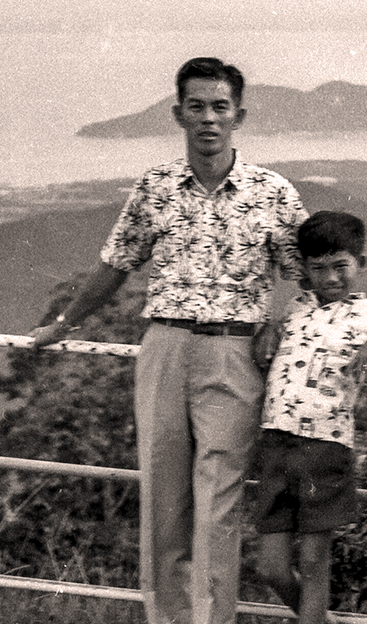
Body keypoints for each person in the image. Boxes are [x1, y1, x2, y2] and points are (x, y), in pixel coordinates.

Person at [26, 57, 308, 624]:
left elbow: (306, 273)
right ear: (179, 114)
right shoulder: (155, 188)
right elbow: (115, 264)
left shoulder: (272, 192)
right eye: (197, 107)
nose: (209, 119)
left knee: (218, 505)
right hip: (164, 349)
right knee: (164, 500)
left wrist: (279, 322)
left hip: (235, 354)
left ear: (239, 116)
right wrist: (66, 322)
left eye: (220, 107)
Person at [252, 211, 367, 624]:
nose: (330, 278)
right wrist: (268, 332)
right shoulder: (294, 308)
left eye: (341, 266)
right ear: (304, 270)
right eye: (318, 268)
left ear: (361, 262)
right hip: (275, 443)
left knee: (313, 562)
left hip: (326, 447)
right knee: (269, 567)